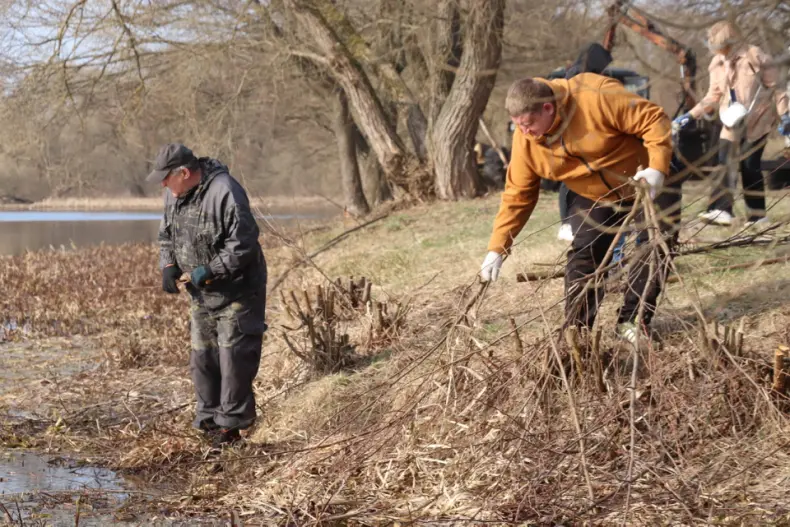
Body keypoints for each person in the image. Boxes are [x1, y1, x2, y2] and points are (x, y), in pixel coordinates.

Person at [478, 74, 674, 344]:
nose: (525, 133)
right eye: (518, 127)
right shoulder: (527, 139)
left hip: (645, 178)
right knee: (585, 255)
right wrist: (498, 248)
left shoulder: (596, 95)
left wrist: (658, 167)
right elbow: (518, 194)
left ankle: (633, 321)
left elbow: (654, 120)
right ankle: (576, 332)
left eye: (529, 124)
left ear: (548, 108)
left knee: (654, 244)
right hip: (593, 192)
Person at [149, 143, 268, 447]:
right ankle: (210, 422)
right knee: (202, 358)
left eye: (166, 178)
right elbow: (166, 235)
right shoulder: (173, 194)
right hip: (200, 293)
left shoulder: (225, 191)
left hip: (238, 289)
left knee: (233, 358)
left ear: (184, 173)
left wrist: (210, 270)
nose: (162, 184)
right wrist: (169, 266)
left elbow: (243, 243)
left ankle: (231, 430)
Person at [674, 21, 790, 227]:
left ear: (731, 41)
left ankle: (757, 217)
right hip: (731, 121)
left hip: (758, 121)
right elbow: (713, 96)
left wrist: (785, 116)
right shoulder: (716, 63)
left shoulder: (755, 56)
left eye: (722, 46)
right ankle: (721, 210)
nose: (720, 51)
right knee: (725, 161)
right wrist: (690, 115)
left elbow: (778, 89)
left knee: (749, 165)